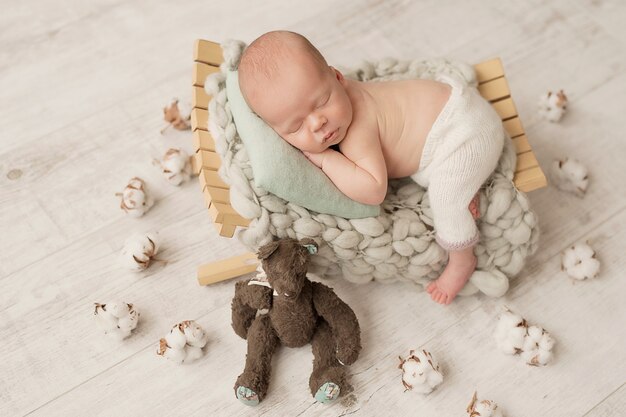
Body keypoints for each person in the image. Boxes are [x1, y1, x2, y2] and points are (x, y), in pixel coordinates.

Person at [238, 31, 504, 305]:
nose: (318, 123)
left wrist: (328, 159)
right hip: (450, 110)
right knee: (437, 172)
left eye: (322, 102)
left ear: (338, 78)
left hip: (463, 133)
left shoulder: (357, 129)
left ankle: (463, 261)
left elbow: (374, 189)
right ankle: (466, 184)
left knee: (445, 201)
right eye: (296, 126)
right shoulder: (339, 103)